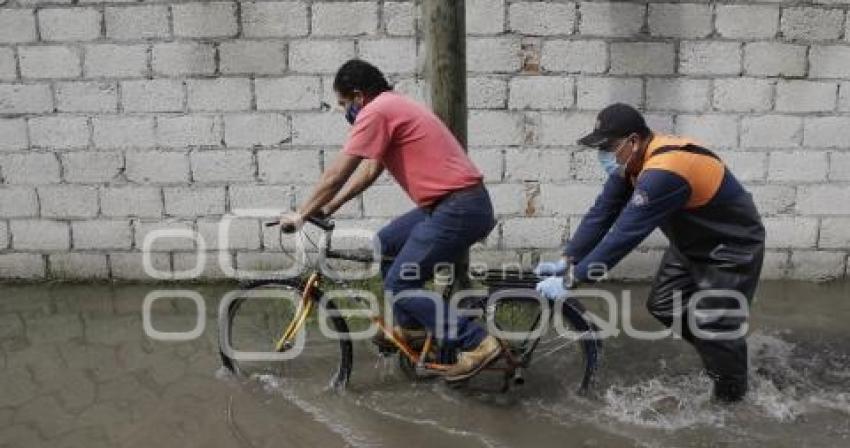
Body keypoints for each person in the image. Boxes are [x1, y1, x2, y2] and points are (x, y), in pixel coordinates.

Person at [278, 59, 501, 382]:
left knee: (400, 282)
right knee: (387, 243)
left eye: (343, 104)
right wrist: (331, 207)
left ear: (358, 96)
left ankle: (477, 343)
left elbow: (339, 172)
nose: (345, 112)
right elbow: (370, 170)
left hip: (459, 207)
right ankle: (411, 329)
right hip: (449, 204)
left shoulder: (377, 111)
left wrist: (302, 213)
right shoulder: (392, 106)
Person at [535, 103, 765, 402]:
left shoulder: (664, 172)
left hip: (731, 246)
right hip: (691, 243)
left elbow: (623, 235)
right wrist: (568, 259)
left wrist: (570, 281)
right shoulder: (632, 165)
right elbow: (602, 212)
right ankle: (722, 355)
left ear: (633, 141)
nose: (604, 154)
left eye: (608, 146)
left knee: (714, 323)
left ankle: (733, 402)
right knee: (663, 303)